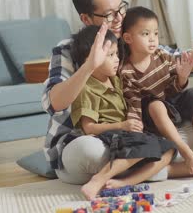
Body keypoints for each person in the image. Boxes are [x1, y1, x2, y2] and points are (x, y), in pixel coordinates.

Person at [42, 0, 193, 184]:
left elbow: (174, 59)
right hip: (89, 140)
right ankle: (166, 168)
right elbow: (55, 102)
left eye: (121, 9)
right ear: (86, 19)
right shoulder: (68, 49)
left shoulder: (129, 37)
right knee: (90, 152)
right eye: (109, 15)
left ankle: (150, 160)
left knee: (186, 127)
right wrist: (89, 65)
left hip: (134, 135)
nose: (118, 18)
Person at [69, 25, 177, 199]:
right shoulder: (86, 88)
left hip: (127, 132)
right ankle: (98, 180)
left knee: (169, 148)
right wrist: (122, 125)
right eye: (110, 55)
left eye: (117, 54)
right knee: (146, 144)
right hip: (111, 134)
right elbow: (88, 128)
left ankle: (126, 182)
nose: (117, 59)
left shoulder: (115, 80)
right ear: (91, 59)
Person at [120, 6, 193, 174]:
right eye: (145, 34)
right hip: (154, 115)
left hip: (172, 102)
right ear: (128, 38)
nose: (152, 39)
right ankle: (185, 151)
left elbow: (175, 88)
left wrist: (182, 78)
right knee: (155, 105)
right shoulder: (126, 71)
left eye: (155, 34)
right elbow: (134, 104)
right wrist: (135, 131)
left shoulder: (162, 55)